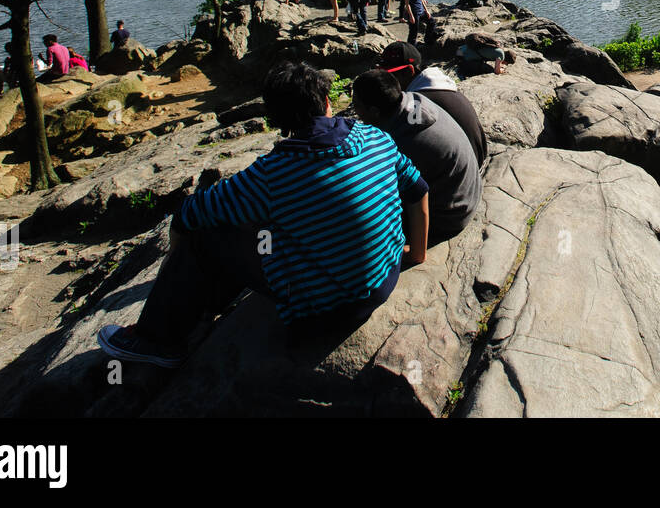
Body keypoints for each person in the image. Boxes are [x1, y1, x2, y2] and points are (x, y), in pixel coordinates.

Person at [96, 60, 430, 369]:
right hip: (384, 280)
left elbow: (190, 214)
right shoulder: (376, 138)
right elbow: (418, 190)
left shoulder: (273, 174)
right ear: (326, 102)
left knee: (206, 238)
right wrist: (417, 254)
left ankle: (156, 340)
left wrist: (175, 252)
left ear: (277, 119)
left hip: (328, 308)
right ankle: (200, 309)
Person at [353, 70, 481, 243]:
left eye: (357, 105)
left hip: (450, 215)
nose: (355, 111)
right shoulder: (413, 101)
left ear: (374, 111)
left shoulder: (403, 141)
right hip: (466, 194)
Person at [379, 41, 487, 166]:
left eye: (391, 75)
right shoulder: (440, 86)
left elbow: (407, 143)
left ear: (409, 71)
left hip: (461, 171)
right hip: (474, 159)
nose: (387, 82)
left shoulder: (417, 102)